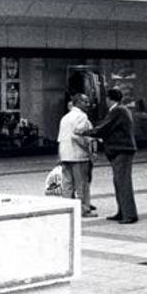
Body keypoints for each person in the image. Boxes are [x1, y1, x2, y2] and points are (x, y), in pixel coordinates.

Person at [74, 88, 139, 224]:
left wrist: (85, 132)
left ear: (109, 99)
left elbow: (104, 127)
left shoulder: (118, 110)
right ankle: (122, 212)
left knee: (123, 182)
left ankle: (129, 215)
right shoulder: (121, 110)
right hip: (121, 150)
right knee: (118, 182)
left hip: (122, 150)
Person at [57, 93, 96, 217]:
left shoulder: (65, 117)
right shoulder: (82, 116)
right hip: (78, 155)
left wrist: (60, 156)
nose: (88, 104)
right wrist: (88, 151)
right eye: (85, 102)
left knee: (67, 184)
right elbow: (77, 136)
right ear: (78, 102)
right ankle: (84, 209)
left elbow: (60, 138)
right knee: (82, 184)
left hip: (65, 154)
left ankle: (67, 209)